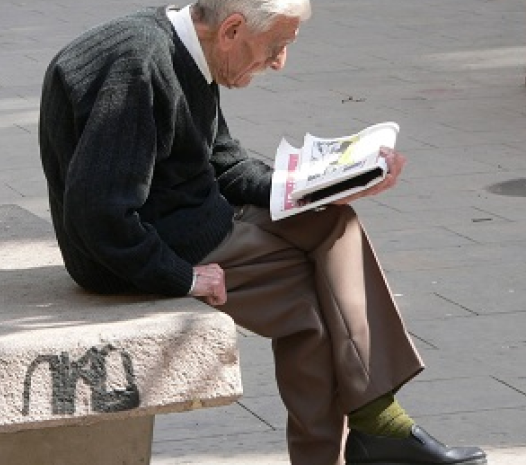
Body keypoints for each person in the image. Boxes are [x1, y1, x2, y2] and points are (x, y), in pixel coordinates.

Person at [38, 1, 488, 464]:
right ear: (232, 30)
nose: (279, 61)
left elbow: (224, 163)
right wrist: (183, 277)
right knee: (309, 306)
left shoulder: (188, 47)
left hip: (189, 214)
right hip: (143, 248)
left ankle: (377, 423)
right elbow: (100, 216)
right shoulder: (138, 66)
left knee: (334, 220)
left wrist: (335, 182)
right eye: (276, 45)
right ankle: (375, 427)